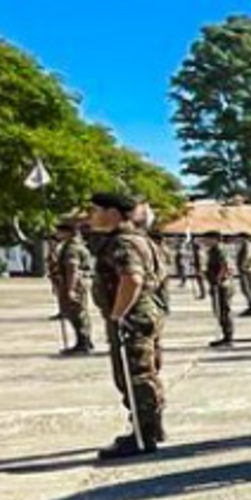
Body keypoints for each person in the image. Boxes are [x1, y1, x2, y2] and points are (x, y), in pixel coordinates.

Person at [88, 191, 170, 457]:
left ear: (112, 213)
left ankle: (142, 436)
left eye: (95, 211)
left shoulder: (122, 242)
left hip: (132, 315)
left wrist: (118, 314)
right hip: (145, 312)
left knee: (134, 375)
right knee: (146, 371)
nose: (91, 216)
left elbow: (132, 279)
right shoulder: (141, 239)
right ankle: (152, 427)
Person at [50, 217, 95, 355]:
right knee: (78, 312)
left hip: (75, 283)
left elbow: (72, 269)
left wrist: (70, 289)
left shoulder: (72, 248)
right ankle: (85, 341)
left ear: (68, 232)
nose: (57, 233)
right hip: (78, 282)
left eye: (60, 231)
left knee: (76, 313)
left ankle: (83, 342)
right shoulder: (74, 245)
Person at [199, 231, 236, 348]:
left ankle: (228, 337)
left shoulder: (219, 249)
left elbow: (226, 266)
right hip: (219, 284)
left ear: (214, 239)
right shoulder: (215, 250)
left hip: (222, 285)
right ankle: (226, 336)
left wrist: (218, 279)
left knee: (223, 311)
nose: (205, 241)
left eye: (207, 239)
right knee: (220, 311)